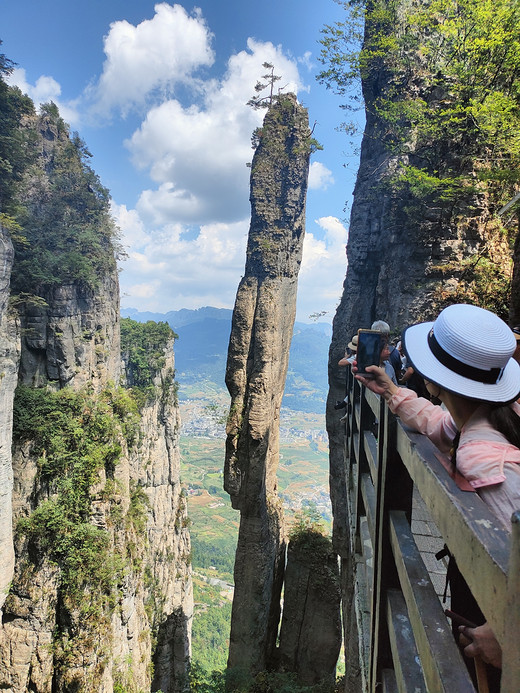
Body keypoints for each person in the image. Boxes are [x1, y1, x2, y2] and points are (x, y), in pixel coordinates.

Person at [355, 304, 520, 683]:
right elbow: (439, 422)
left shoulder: (488, 462)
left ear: (435, 380)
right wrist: (391, 390)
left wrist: (509, 635)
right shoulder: (490, 416)